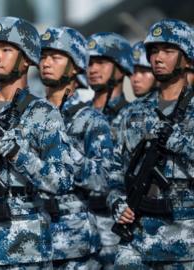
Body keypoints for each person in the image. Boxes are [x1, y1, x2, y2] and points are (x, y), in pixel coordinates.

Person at [0, 16, 74, 269]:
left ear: (28, 58)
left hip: (24, 250)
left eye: (6, 50)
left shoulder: (44, 114)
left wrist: (18, 155)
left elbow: (62, 181)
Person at [111, 18, 194, 269]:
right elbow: (115, 168)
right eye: (154, 52)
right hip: (137, 245)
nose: (158, 58)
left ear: (187, 58)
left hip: (186, 246)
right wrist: (116, 201)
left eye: (168, 51)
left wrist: (182, 145)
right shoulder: (133, 113)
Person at [40, 26, 114, 269]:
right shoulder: (26, 116)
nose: (46, 63)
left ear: (75, 67)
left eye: (56, 57)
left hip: (73, 242)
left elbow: (103, 179)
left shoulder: (91, 120)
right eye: (43, 56)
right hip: (29, 240)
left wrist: (64, 151)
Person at [85, 31, 134, 269]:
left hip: (119, 229)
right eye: (90, 62)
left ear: (122, 67)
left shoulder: (134, 117)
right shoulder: (74, 115)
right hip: (79, 231)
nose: (93, 68)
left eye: (102, 62)